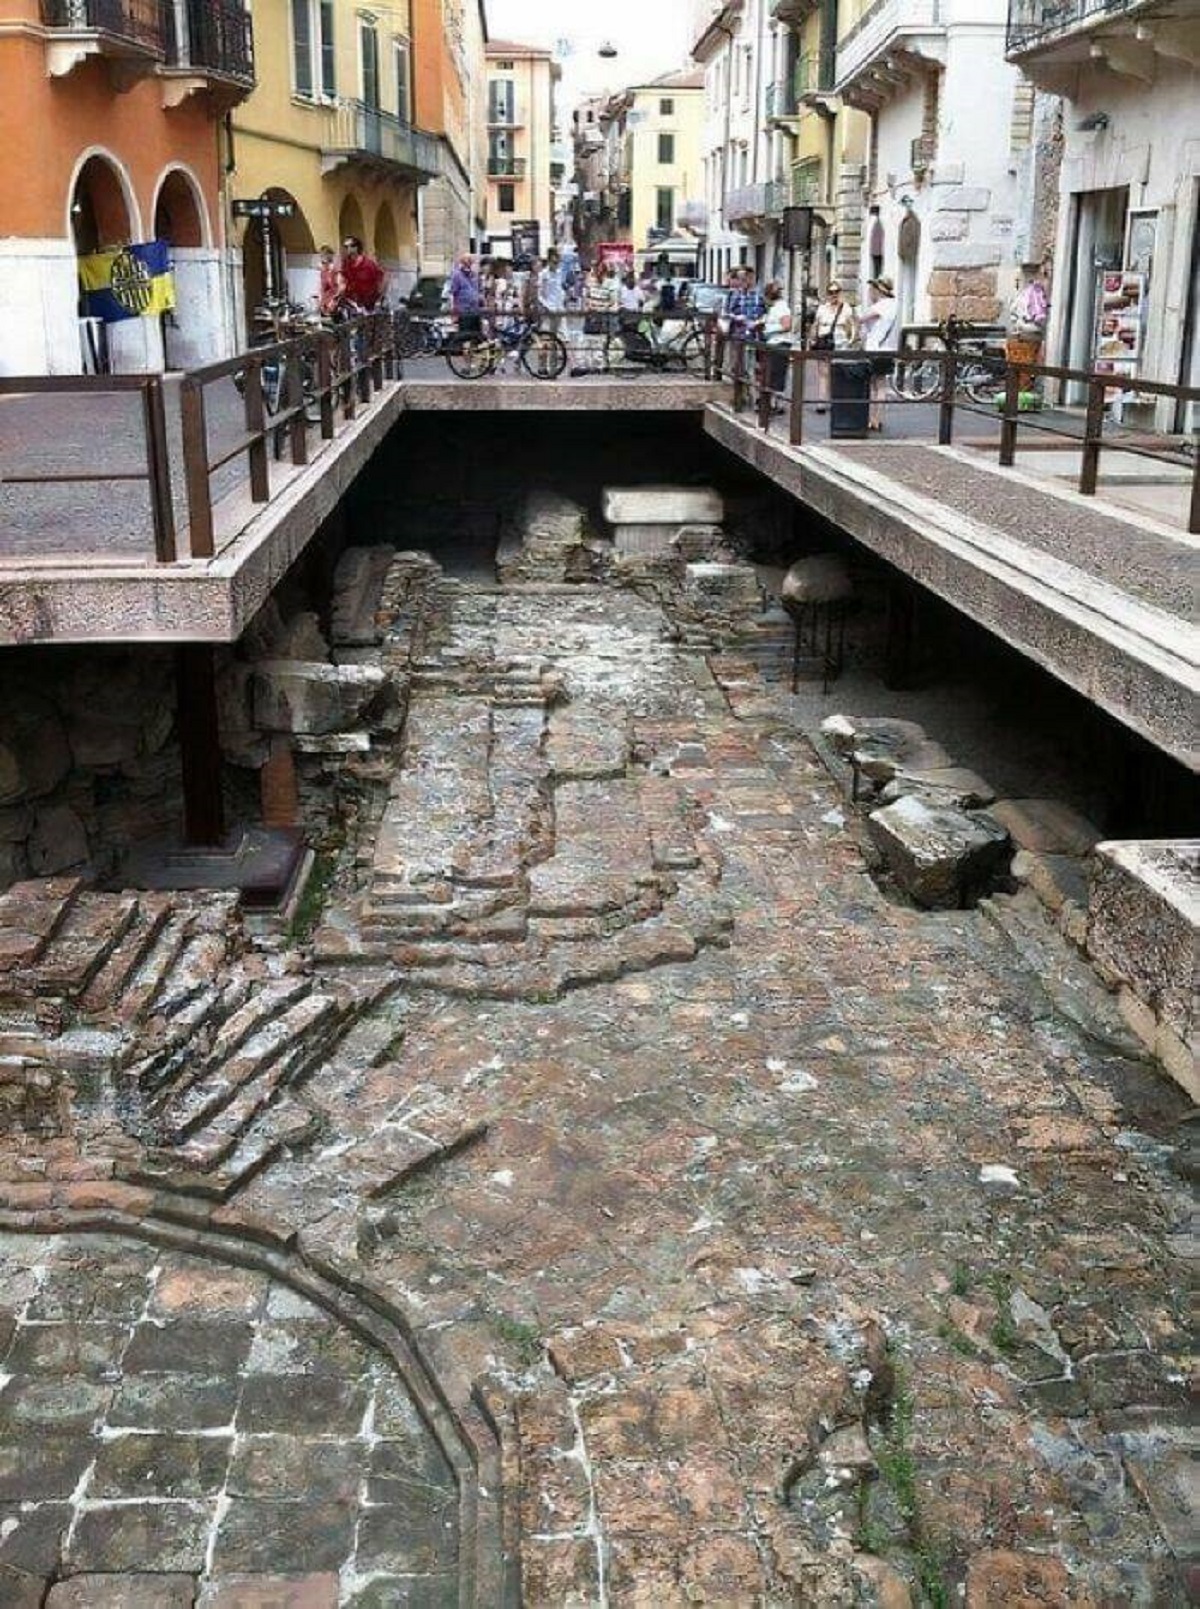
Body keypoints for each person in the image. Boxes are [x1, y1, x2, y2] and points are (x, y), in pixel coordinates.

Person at [859, 274, 898, 431]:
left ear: (878, 290)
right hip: (888, 349)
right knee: (880, 385)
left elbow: (862, 319)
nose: (870, 292)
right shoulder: (894, 304)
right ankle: (877, 418)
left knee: (875, 386)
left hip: (876, 348)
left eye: (872, 289)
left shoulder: (880, 306)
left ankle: (873, 419)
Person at [810, 281, 856, 413]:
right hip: (824, 342)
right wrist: (813, 339)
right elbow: (816, 324)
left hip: (840, 344)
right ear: (827, 294)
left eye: (836, 291)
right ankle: (822, 402)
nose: (834, 294)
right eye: (831, 292)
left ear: (840, 293)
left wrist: (850, 341)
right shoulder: (822, 308)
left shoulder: (846, 308)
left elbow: (853, 326)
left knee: (837, 372)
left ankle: (836, 400)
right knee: (823, 373)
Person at [762, 280, 793, 409]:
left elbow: (786, 325)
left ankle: (778, 404)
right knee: (774, 373)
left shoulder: (781, 307)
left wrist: (768, 329)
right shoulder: (775, 308)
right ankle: (774, 402)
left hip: (779, 343)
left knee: (778, 373)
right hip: (773, 343)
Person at [339, 236, 385, 312]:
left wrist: (379, 300)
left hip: (369, 304)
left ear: (357, 247)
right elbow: (342, 281)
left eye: (351, 246)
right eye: (345, 247)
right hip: (353, 305)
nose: (348, 249)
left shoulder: (369, 264)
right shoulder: (346, 264)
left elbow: (382, 280)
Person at [449, 252, 482, 334]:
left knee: (476, 335)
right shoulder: (457, 275)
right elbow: (453, 294)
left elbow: (478, 291)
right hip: (464, 311)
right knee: (465, 335)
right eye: (466, 262)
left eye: (470, 262)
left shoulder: (474, 275)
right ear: (462, 263)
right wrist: (454, 312)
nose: (468, 264)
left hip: (475, 310)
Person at [317, 245, 342, 317]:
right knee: (324, 326)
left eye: (323, 256)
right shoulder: (323, 271)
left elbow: (340, 287)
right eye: (321, 256)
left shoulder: (336, 269)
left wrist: (333, 301)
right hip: (325, 304)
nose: (321, 258)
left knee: (334, 326)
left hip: (334, 304)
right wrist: (320, 300)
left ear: (330, 256)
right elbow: (322, 287)